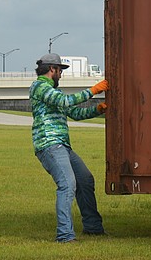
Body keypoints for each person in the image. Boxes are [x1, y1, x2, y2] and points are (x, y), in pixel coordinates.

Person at [29, 53, 110, 243]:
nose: (61, 75)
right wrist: (93, 90)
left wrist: (98, 110)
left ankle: (93, 228)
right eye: (60, 71)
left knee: (85, 180)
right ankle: (65, 236)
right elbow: (66, 102)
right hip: (49, 145)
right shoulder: (39, 87)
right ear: (52, 69)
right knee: (67, 185)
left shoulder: (52, 92)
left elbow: (74, 112)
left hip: (62, 146)